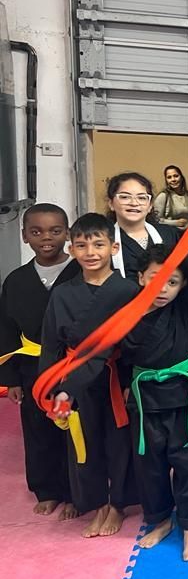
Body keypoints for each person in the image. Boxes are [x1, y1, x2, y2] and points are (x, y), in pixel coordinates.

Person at [121, 209, 188, 560]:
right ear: (139, 278)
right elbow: (112, 354)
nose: (163, 289)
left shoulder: (184, 308)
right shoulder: (126, 313)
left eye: (172, 282)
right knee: (149, 465)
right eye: (155, 278)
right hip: (144, 399)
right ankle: (160, 520)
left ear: (182, 286)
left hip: (181, 397)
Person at [39, 213, 139, 538]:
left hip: (114, 378)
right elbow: (51, 344)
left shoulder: (127, 290)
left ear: (114, 246)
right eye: (82, 245)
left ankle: (118, 505)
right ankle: (97, 503)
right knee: (84, 444)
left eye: (98, 244)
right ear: (71, 249)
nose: (91, 252)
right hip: (74, 381)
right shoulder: (63, 293)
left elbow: (137, 343)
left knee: (118, 443)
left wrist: (129, 383)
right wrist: (52, 391)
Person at [0, 204, 79, 519]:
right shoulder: (16, 281)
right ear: (24, 236)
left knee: (75, 427)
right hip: (33, 365)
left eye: (55, 231)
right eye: (36, 231)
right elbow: (6, 330)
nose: (46, 238)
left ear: (67, 233)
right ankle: (46, 489)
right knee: (37, 427)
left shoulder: (81, 272)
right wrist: (11, 378)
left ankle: (76, 491)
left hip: (74, 364)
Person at [106, 172, 182, 282]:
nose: (134, 203)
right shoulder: (103, 240)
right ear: (111, 204)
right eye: (125, 197)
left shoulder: (170, 235)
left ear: (150, 205)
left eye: (141, 198)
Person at [153, 165, 188, 229]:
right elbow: (156, 220)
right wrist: (176, 223)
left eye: (176, 176)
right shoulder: (163, 196)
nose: (173, 179)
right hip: (172, 234)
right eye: (169, 177)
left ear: (181, 177)